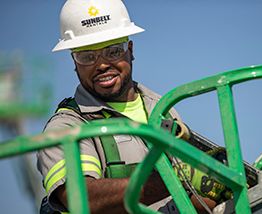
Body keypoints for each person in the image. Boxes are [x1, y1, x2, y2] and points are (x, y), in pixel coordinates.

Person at [37, 0, 219, 213]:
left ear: (129, 50)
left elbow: (180, 202)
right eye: (87, 56)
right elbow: (79, 198)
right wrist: (172, 178)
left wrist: (215, 193)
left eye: (113, 51)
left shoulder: (163, 109)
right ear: (74, 61)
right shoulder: (66, 128)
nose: (102, 64)